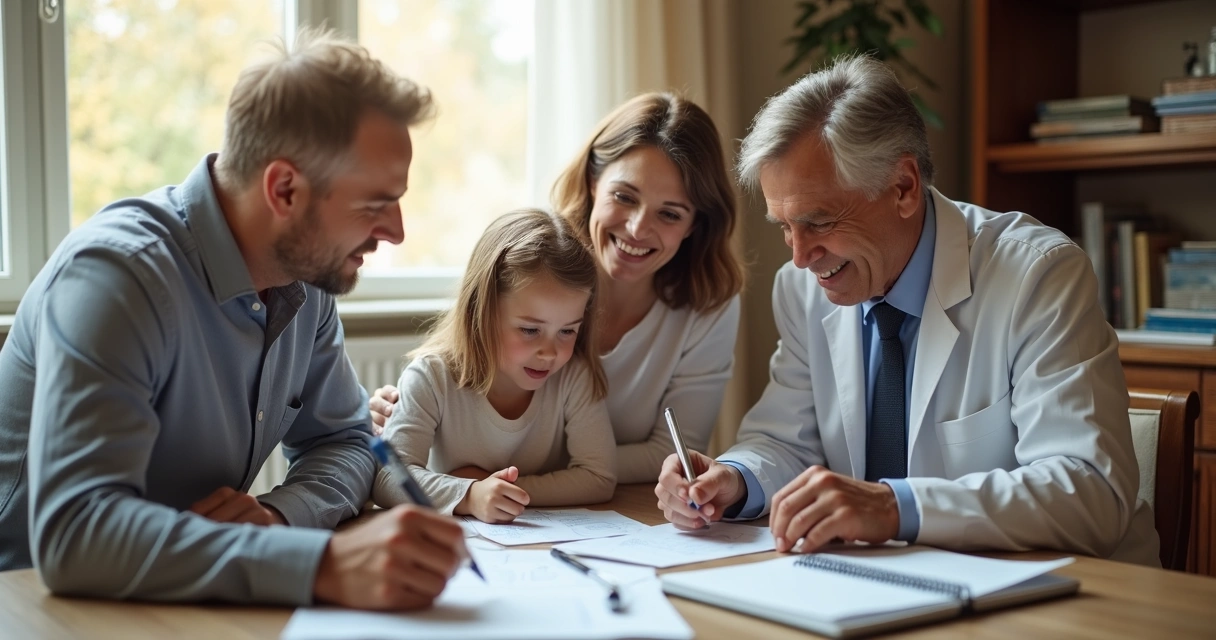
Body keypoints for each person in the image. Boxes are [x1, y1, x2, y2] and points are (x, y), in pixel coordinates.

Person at [0, 29, 469, 609]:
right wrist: (320, 564)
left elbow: (348, 443)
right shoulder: (119, 277)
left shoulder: (303, 280)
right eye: (375, 204)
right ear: (284, 189)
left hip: (180, 602)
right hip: (34, 605)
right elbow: (76, 533)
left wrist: (276, 517)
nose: (396, 231)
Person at [655, 55, 1158, 567]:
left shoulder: (1038, 275)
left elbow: (1089, 491)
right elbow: (786, 440)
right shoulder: (802, 289)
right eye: (785, 226)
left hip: (1070, 590)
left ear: (903, 187)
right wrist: (735, 479)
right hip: (891, 583)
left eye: (819, 222)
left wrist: (895, 507)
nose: (800, 256)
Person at [371, 93, 745, 483]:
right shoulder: (537, 261)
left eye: (669, 213)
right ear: (593, 182)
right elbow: (456, 369)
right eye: (624, 196)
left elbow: (674, 453)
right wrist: (408, 411)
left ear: (695, 224)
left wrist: (507, 480)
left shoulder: (709, 304)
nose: (637, 228)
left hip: (602, 502)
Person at [372, 209, 617, 523]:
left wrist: (493, 489)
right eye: (530, 330)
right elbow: (388, 479)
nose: (549, 353)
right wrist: (471, 495)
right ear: (482, 311)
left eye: (567, 331)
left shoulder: (573, 376)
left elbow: (599, 477)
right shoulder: (431, 376)